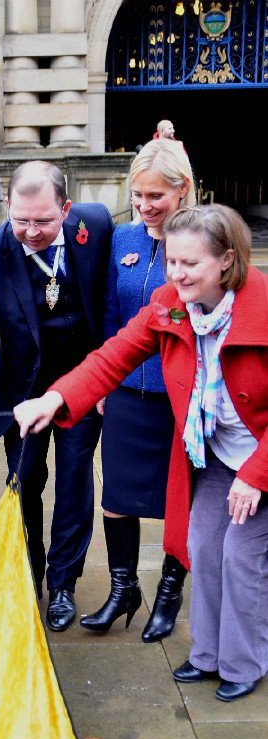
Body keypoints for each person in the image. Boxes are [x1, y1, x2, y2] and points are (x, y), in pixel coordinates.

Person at [15, 204, 268, 703]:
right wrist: (55, 398)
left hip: (259, 458)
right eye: (172, 261)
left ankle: (246, 662)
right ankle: (210, 656)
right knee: (202, 546)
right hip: (219, 455)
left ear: (227, 261)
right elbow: (113, 357)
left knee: (241, 556)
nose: (176, 273)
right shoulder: (171, 304)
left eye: (189, 264)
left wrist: (257, 473)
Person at [0, 160, 114, 631]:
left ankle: (63, 584)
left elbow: (110, 299)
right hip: (22, 389)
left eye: (42, 220)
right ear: (7, 207)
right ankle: (30, 576)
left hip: (82, 384)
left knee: (75, 479)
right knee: (25, 483)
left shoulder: (96, 224)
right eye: (20, 220)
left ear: (65, 208)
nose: (30, 231)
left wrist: (106, 376)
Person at [82, 139, 196, 642]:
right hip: (128, 388)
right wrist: (104, 378)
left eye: (157, 196)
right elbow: (111, 311)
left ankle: (168, 595)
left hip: (181, 394)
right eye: (138, 195)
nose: (146, 206)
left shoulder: (200, 242)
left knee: (182, 499)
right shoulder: (124, 238)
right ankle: (123, 589)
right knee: (117, 496)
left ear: (183, 190)